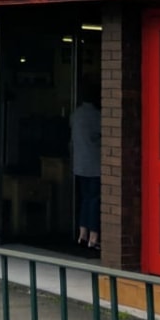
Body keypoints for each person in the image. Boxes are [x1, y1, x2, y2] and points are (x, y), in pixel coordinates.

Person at [71, 99, 102, 251]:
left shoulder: (76, 115)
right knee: (95, 200)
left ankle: (82, 233)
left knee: (85, 199)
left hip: (80, 165)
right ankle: (93, 237)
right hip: (95, 165)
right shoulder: (97, 116)